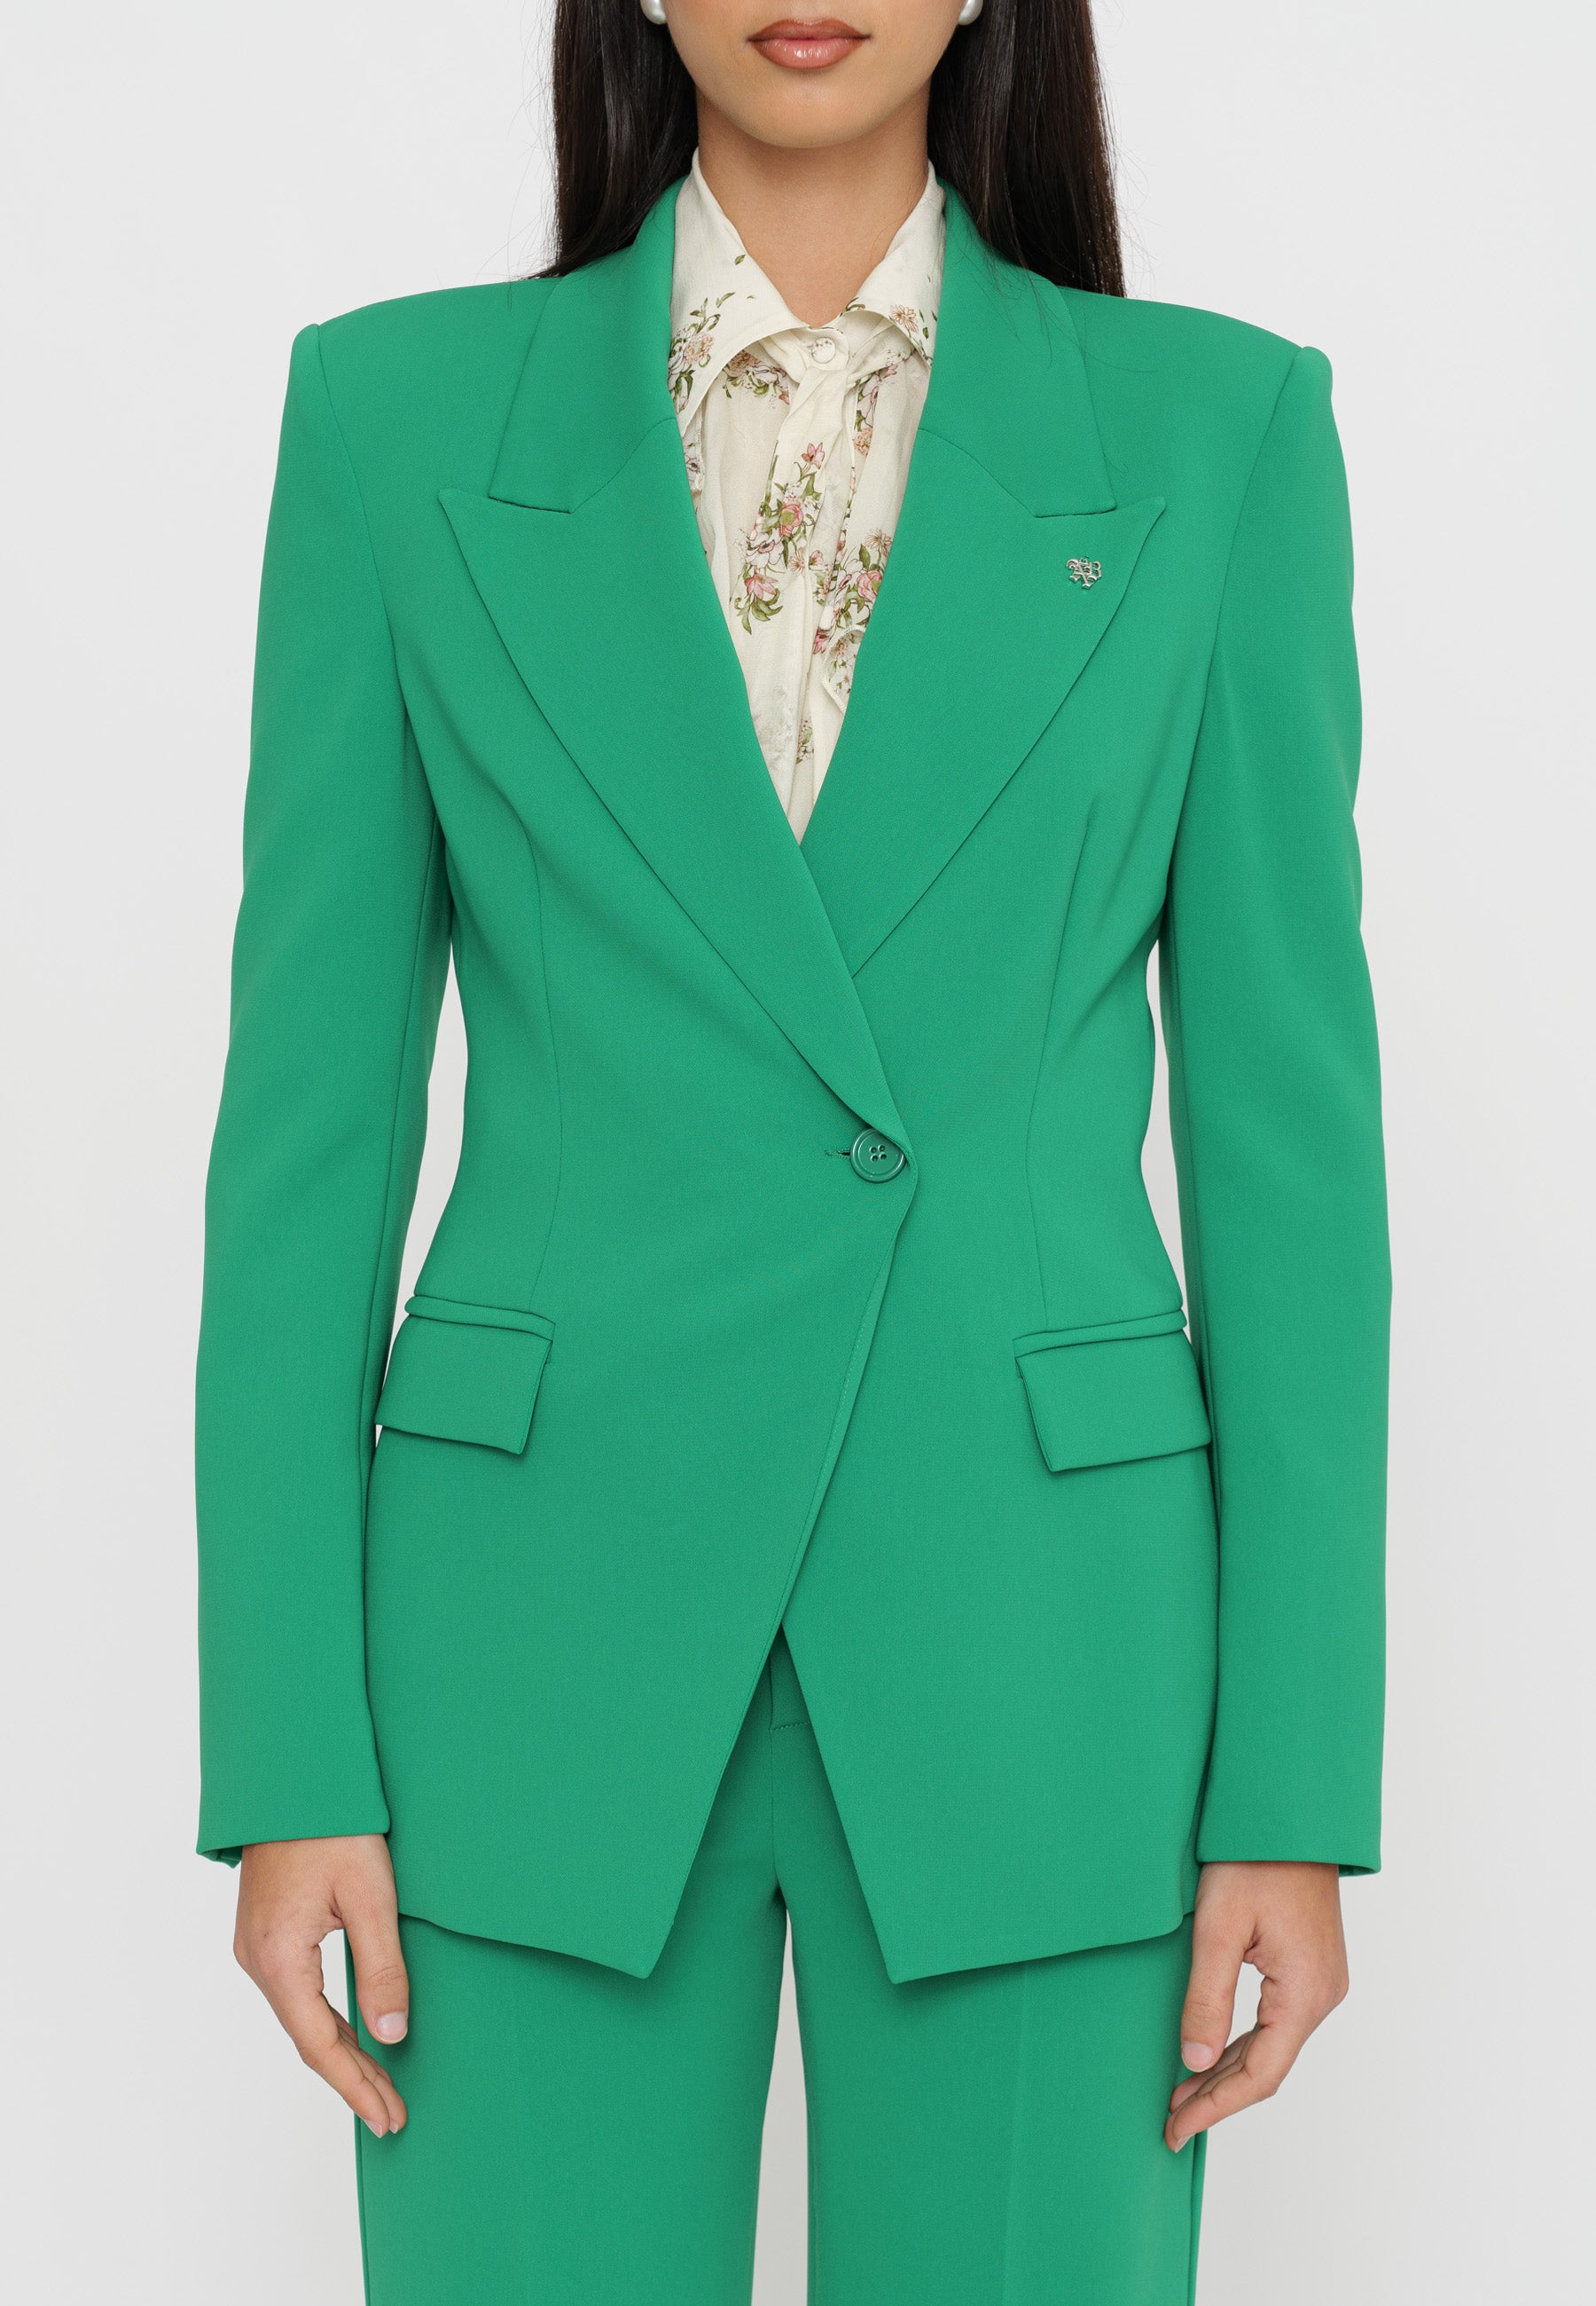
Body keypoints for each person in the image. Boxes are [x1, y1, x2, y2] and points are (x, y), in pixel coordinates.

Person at [197, 4, 1389, 2298]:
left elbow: (1294, 1170)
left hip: (1041, 1651)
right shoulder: (391, 419)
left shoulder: (1217, 432)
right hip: (529, 1642)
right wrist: (288, 1752)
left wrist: (1291, 1785)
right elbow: (304, 1147)